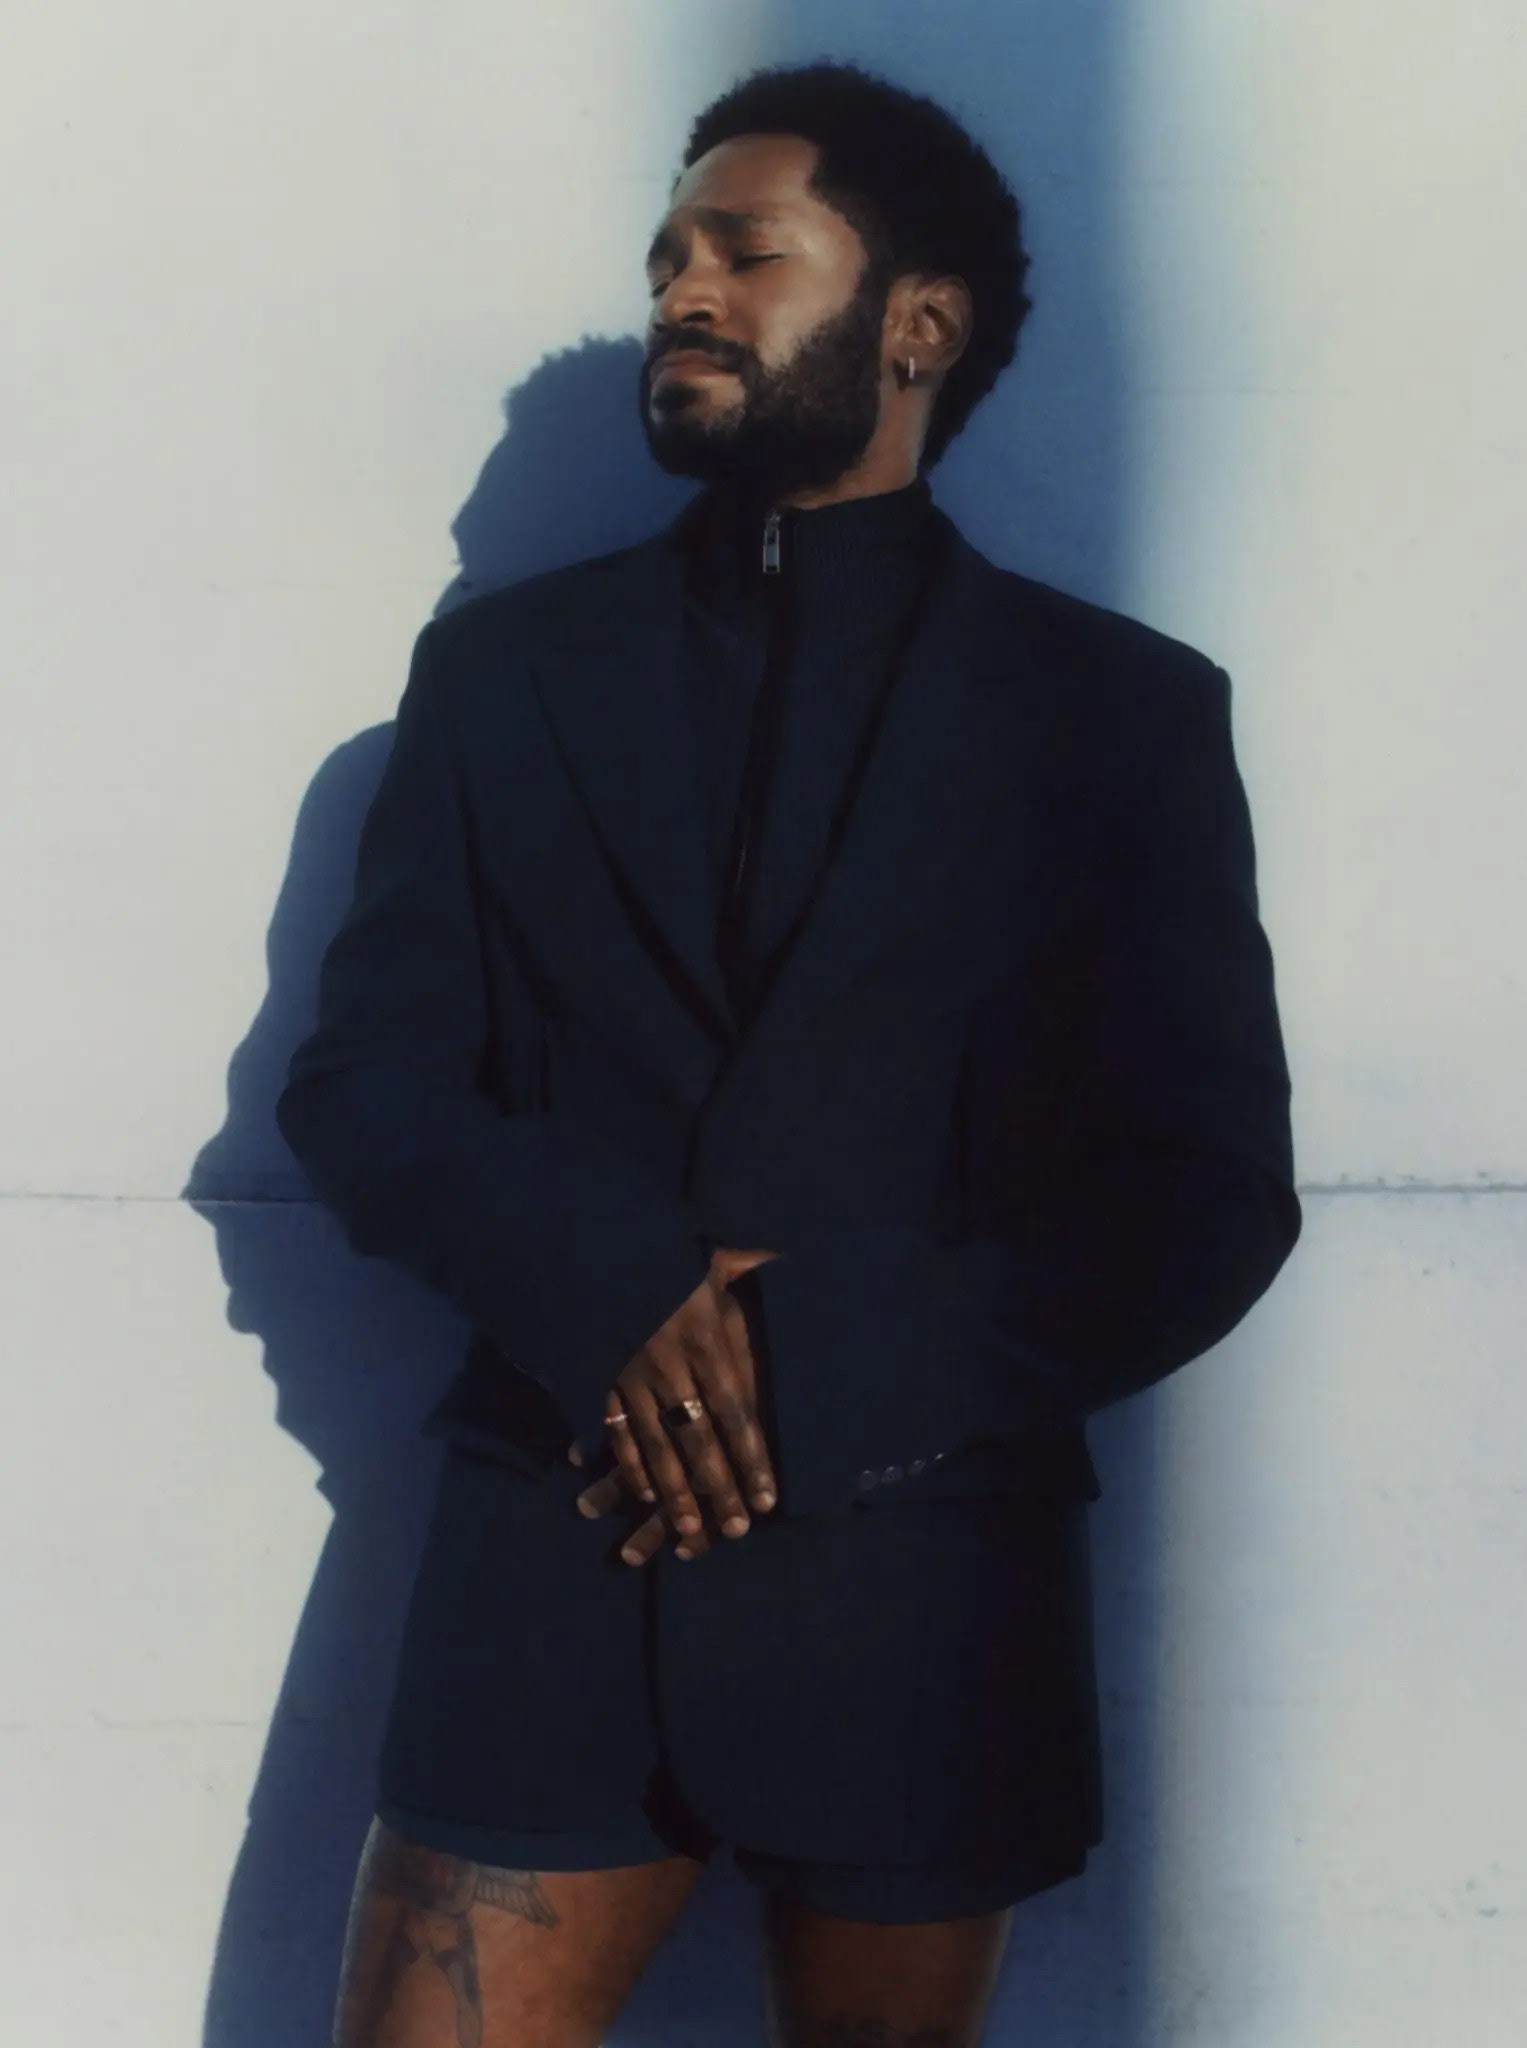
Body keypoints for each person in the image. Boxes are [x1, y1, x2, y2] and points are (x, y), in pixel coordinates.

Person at [277, 58, 1301, 2048]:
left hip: (923, 1581)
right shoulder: (500, 673)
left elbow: (1204, 1201)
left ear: (917, 323)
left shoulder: (1120, 714)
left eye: (745, 252)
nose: (682, 289)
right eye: (667, 256)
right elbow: (365, 1087)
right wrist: (614, 1283)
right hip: (553, 1558)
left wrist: (818, 1353)